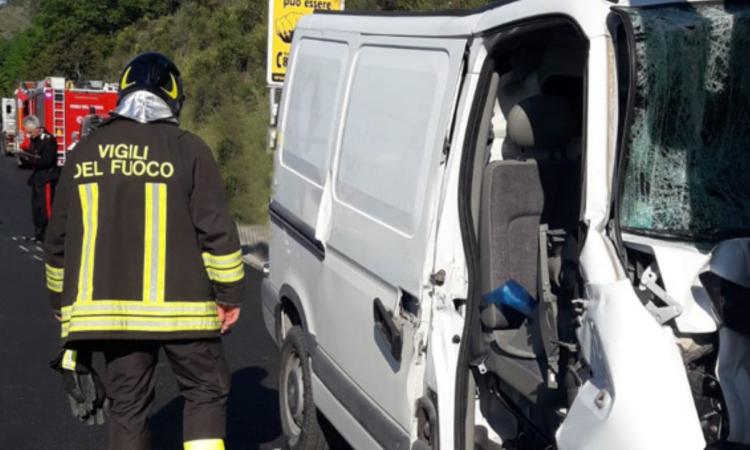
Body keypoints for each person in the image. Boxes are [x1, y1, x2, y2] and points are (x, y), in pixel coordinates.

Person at [44, 52, 244, 450]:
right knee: (205, 393)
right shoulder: (190, 150)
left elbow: (58, 241)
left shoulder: (85, 152)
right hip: (187, 313)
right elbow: (218, 232)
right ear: (173, 97)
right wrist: (229, 296)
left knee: (128, 408)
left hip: (111, 315)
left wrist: (61, 302)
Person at [22, 115, 59, 243]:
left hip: (47, 177)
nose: (29, 135)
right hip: (37, 177)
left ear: (37, 128)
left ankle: (48, 235)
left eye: (30, 132)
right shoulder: (35, 138)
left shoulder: (48, 139)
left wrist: (31, 159)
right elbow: (34, 154)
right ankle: (38, 234)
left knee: (46, 209)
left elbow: (47, 160)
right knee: (36, 207)